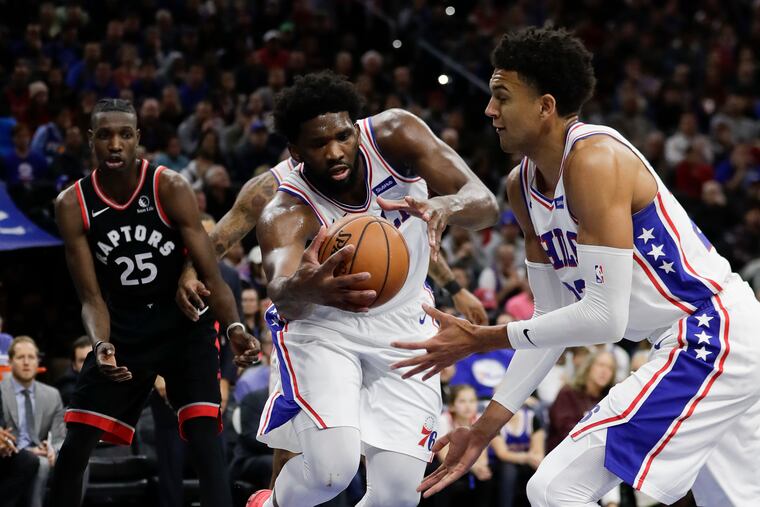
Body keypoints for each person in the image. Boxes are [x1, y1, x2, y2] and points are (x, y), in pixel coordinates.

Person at [391, 28, 760, 506]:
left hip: (712, 333)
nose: (489, 110)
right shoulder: (521, 188)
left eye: (502, 97)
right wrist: (484, 428)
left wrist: (486, 338)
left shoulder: (594, 158)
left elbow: (605, 319)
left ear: (545, 106)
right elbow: (553, 326)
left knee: (556, 489)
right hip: (706, 341)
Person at [246, 71, 498, 507]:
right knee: (331, 472)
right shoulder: (284, 209)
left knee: (400, 496)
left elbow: (485, 204)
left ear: (356, 127)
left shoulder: (396, 134)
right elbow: (282, 293)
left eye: (343, 136)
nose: (335, 151)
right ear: (295, 151)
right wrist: (308, 287)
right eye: (318, 144)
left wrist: (445, 205)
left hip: (403, 324)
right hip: (325, 328)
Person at [51, 98, 259, 507]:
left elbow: (210, 273)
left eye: (125, 134)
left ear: (138, 140)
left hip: (183, 323)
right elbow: (91, 297)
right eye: (106, 135)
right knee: (76, 444)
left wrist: (234, 326)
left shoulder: (169, 186)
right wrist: (101, 344)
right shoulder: (72, 204)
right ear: (91, 140)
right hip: (123, 325)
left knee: (205, 440)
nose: (115, 144)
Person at [0, 336, 65, 507]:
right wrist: (28, 450)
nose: (26, 362)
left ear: (38, 362)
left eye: (31, 357)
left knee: (81, 463)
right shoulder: (0, 390)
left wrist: (53, 450)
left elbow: (60, 438)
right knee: (38, 463)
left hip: (42, 452)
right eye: (21, 357)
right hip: (13, 454)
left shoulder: (53, 395)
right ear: (11, 361)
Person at [55, 336, 92, 406]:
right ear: (74, 365)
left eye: (92, 358)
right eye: (82, 360)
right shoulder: (69, 391)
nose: (88, 364)